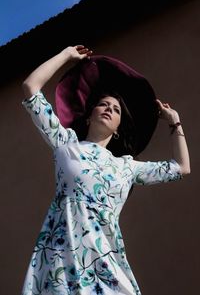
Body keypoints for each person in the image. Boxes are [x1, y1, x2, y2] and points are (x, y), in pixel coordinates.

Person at [21, 45, 190, 295]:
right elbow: (30, 89)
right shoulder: (66, 143)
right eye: (103, 104)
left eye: (117, 109)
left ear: (119, 128)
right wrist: (66, 55)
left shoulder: (127, 166)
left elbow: (181, 167)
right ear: (89, 116)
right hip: (61, 262)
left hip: (106, 266)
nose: (110, 109)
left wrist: (174, 120)